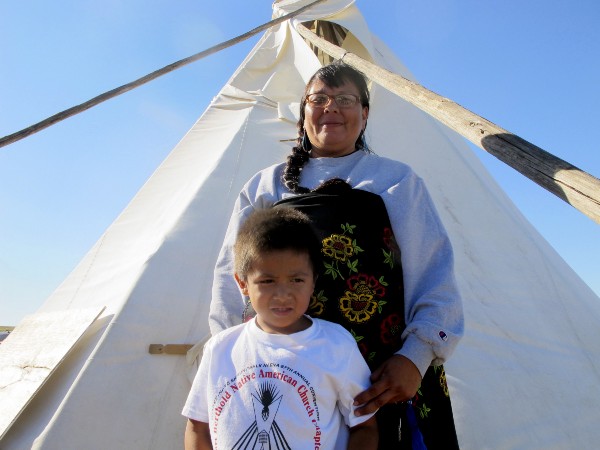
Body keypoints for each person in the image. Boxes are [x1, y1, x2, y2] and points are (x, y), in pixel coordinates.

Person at [209, 60, 464, 448]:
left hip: (381, 380)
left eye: (345, 99)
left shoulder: (396, 180)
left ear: (364, 113)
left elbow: (434, 274)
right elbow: (234, 277)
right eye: (319, 99)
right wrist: (238, 363)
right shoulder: (264, 186)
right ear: (304, 112)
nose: (331, 107)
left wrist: (415, 357)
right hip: (285, 376)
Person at [183, 208, 379, 450]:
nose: (283, 295)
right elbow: (197, 427)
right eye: (267, 281)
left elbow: (365, 427)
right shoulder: (220, 348)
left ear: (313, 282)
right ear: (242, 283)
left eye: (296, 280)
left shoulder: (336, 345)